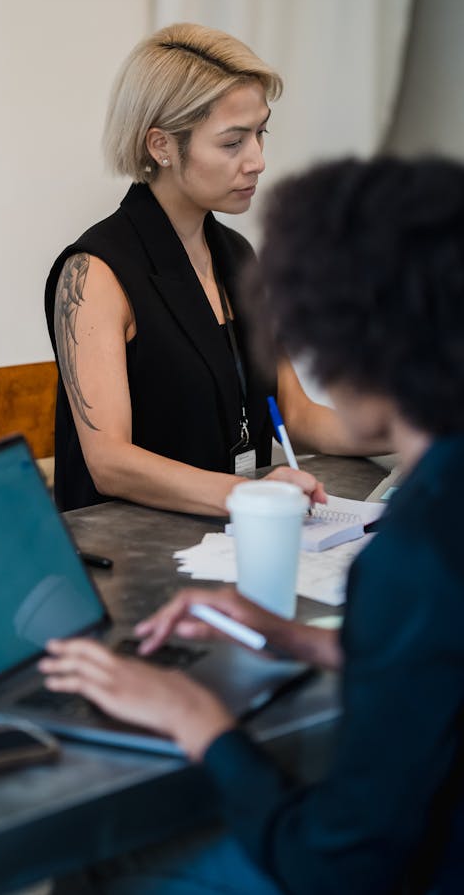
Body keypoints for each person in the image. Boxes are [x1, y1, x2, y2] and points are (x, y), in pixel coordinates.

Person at [41, 156, 464, 894]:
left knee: (100, 864)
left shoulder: (412, 558)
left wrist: (202, 721)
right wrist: (305, 639)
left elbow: (334, 863)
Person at [45, 23, 377, 515]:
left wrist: (417, 426)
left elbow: (298, 413)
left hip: (223, 536)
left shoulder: (238, 256)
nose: (258, 160)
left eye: (260, 134)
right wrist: (248, 496)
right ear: (160, 145)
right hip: (128, 555)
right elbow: (109, 461)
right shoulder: (95, 272)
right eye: (232, 143)